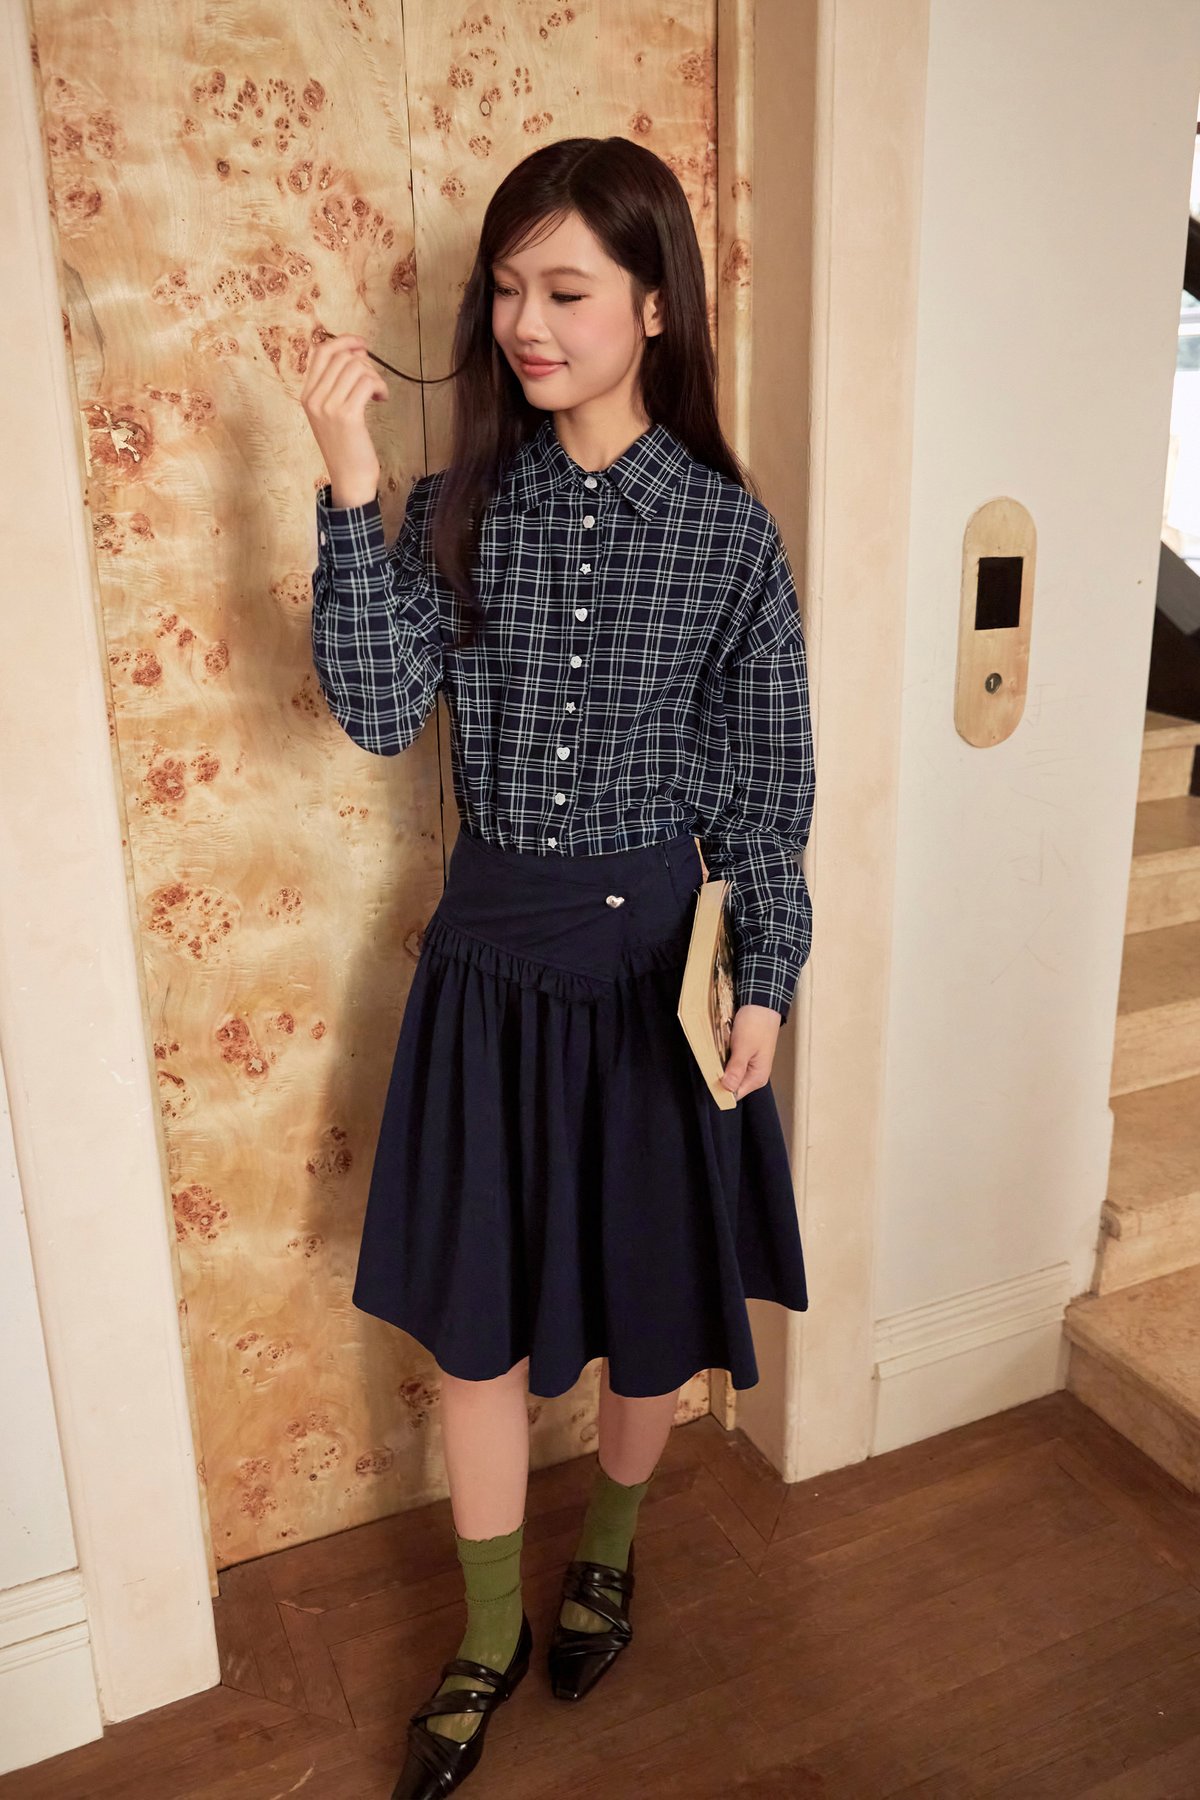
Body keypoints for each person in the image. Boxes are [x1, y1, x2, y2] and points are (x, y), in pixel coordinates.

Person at [300, 134, 814, 1800]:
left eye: (566, 290)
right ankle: (487, 1631)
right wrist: (349, 485)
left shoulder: (728, 538)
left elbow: (766, 786)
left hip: (661, 976)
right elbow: (380, 707)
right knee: (480, 1334)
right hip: (489, 974)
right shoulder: (459, 507)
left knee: (651, 1312)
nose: (525, 321)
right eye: (508, 289)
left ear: (654, 306)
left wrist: (766, 975)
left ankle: (609, 1551)